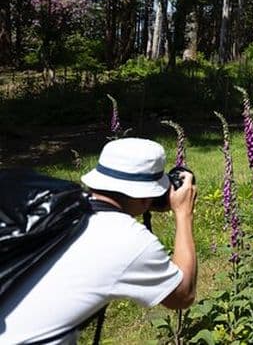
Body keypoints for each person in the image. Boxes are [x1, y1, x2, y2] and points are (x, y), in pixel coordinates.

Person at [0, 138, 197, 344]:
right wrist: (183, 214)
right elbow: (182, 296)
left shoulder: (61, 210)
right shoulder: (129, 240)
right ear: (146, 197)